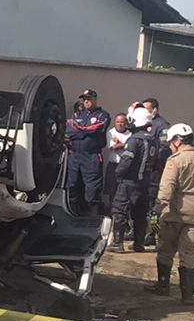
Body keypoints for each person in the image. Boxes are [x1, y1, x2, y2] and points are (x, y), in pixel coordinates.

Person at [153, 122, 194, 304]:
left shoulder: (175, 161)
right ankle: (187, 296)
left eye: (170, 143)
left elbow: (167, 188)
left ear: (177, 141)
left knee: (165, 249)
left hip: (175, 212)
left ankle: (163, 285)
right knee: (189, 252)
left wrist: (156, 209)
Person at [109, 106, 160, 252]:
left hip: (129, 182)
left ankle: (117, 244)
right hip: (145, 183)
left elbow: (126, 161)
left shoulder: (134, 140)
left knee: (119, 210)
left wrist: (118, 174)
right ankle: (139, 244)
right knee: (140, 213)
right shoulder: (154, 141)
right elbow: (156, 163)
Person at [65, 88, 110, 215]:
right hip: (74, 155)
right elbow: (69, 130)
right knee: (73, 184)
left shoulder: (102, 115)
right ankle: (74, 213)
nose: (86, 102)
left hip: (91, 156)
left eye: (89, 99)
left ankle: (92, 215)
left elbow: (95, 128)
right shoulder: (78, 114)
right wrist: (84, 131)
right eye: (84, 100)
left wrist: (79, 130)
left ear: (95, 100)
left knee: (92, 189)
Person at [104, 112, 130, 203]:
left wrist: (120, 143)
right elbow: (113, 147)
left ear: (126, 123)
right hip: (113, 165)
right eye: (117, 122)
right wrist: (126, 144)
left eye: (122, 122)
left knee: (124, 191)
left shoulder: (130, 134)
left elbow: (131, 148)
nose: (119, 124)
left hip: (126, 166)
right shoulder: (110, 133)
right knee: (112, 190)